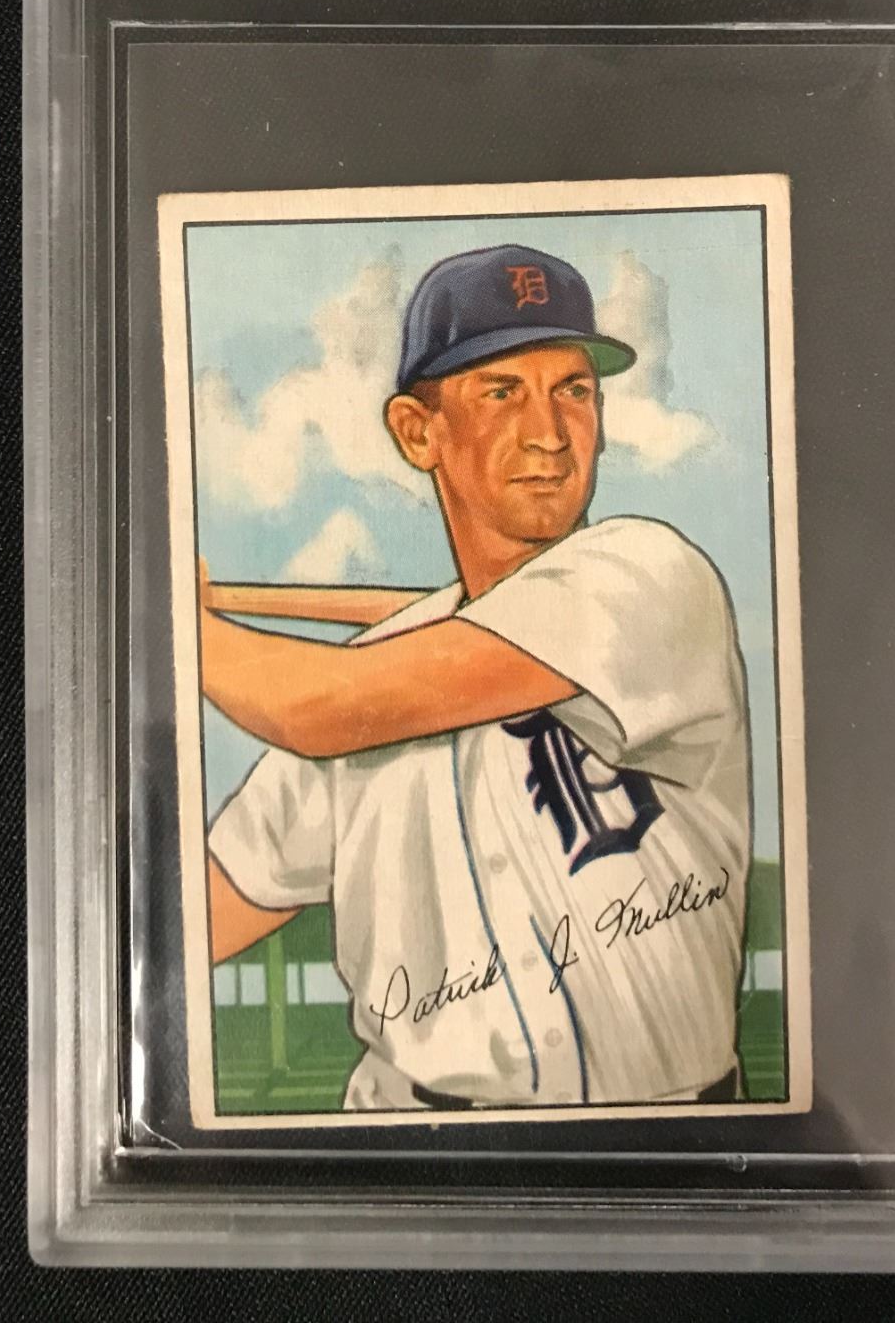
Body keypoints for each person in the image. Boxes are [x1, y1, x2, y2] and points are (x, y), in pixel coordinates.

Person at [201, 243, 751, 1110]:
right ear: (418, 433)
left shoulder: (650, 575)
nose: (549, 434)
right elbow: (201, 915)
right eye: (502, 393)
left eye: (574, 391)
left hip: (665, 1146)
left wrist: (175, 623)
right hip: (410, 1146)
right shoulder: (384, 663)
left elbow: (315, 705)